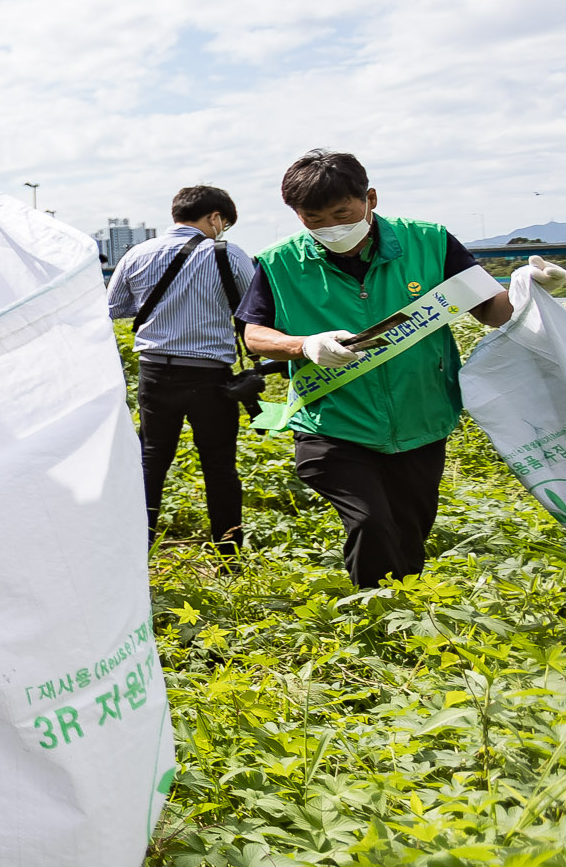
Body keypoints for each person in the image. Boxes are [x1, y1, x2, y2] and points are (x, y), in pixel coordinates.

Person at [238, 148, 512, 589]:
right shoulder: (278, 261)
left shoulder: (431, 241)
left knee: (409, 529)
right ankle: (375, 611)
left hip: (420, 415)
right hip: (333, 421)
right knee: (370, 521)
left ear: (371, 198)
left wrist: (529, 291)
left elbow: (491, 311)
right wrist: (304, 345)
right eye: (313, 218)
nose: (330, 227)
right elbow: (255, 335)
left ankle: (406, 612)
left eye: (341, 213)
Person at [107, 185, 262, 547]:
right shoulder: (229, 253)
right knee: (220, 466)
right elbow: (255, 309)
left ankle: (137, 550)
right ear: (214, 217)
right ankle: (228, 556)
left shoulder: (136, 254)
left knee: (150, 463)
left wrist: (161, 311)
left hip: (155, 373)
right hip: (211, 377)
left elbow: (112, 310)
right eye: (223, 224)